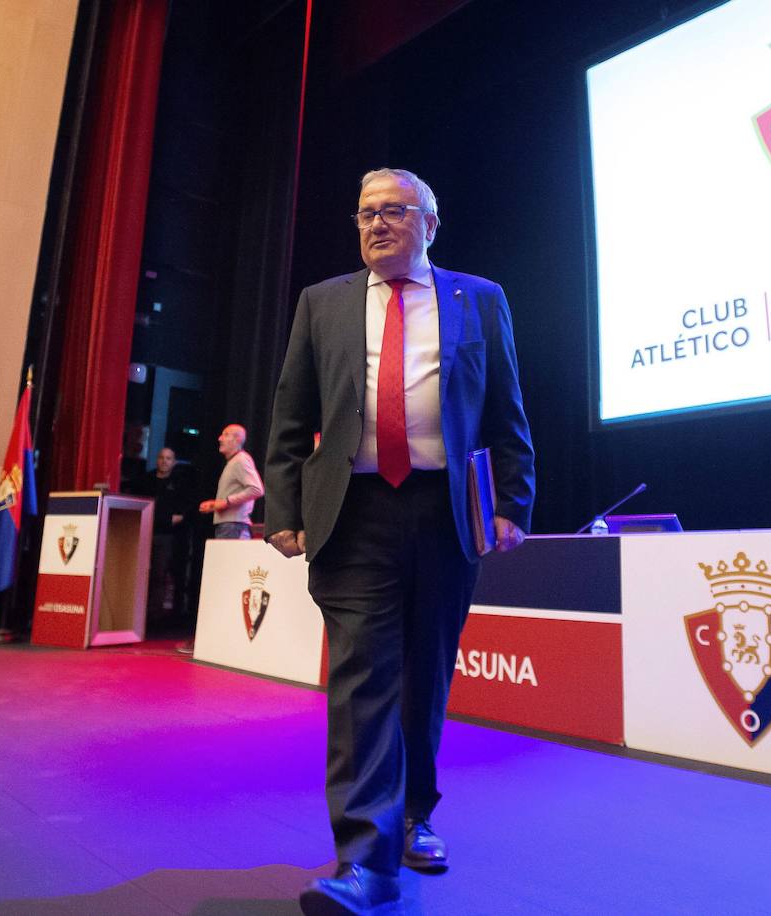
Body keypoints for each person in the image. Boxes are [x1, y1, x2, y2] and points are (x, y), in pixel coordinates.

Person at [265, 167, 534, 915]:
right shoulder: (323, 303)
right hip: (353, 517)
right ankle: (365, 861)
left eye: (393, 211)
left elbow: (507, 409)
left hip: (443, 515)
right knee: (362, 684)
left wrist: (513, 501)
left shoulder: (479, 299)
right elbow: (290, 416)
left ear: (430, 223)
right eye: (365, 213)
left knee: (424, 678)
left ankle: (416, 814)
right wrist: (282, 507)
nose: (376, 224)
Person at [130, 446, 196, 624]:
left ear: (173, 462)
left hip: (166, 535)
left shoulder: (179, 481)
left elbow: (187, 506)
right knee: (140, 574)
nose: (164, 461)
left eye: (168, 458)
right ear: (157, 459)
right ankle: (135, 613)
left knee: (159, 575)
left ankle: (154, 616)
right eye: (161, 457)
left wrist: (178, 517)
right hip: (144, 532)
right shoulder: (146, 480)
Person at [199, 424, 264, 539]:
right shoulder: (234, 461)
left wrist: (226, 502)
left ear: (237, 440)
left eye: (226, 435)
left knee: (229, 557)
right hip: (230, 525)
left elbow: (257, 489)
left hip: (233, 525)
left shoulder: (240, 460)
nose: (220, 438)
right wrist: (215, 503)